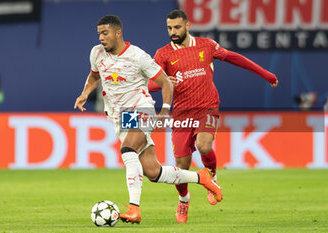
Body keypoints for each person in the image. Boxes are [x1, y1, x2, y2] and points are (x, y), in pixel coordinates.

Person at [74, 15, 222, 224]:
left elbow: (165, 82)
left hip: (141, 109)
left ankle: (134, 207)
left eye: (105, 33)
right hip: (120, 118)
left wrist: (164, 110)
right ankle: (201, 177)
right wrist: (84, 93)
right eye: (99, 33)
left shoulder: (137, 56)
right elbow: (95, 75)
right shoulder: (96, 53)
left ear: (118, 33)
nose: (100, 38)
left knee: (127, 151)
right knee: (153, 172)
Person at [148, 10, 278, 223]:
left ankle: (212, 177)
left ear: (188, 25)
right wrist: (163, 83)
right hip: (181, 112)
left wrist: (266, 74)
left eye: (177, 27)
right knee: (181, 165)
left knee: (205, 145)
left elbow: (235, 58)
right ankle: (184, 200)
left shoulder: (206, 45)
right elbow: (149, 83)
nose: (173, 32)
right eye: (170, 28)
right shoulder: (163, 54)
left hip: (206, 107)